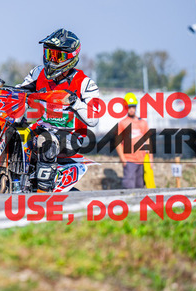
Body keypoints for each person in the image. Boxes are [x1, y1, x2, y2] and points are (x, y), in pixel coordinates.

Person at [15, 28, 100, 192]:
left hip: (70, 135)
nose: (51, 60)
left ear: (70, 57)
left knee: (46, 140)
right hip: (42, 127)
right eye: (49, 54)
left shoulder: (85, 83)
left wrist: (74, 102)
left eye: (57, 56)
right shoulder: (38, 73)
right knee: (14, 133)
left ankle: (43, 192)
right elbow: (20, 92)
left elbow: (94, 119)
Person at [116, 93, 152, 189]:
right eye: (129, 107)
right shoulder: (123, 123)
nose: (131, 109)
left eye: (133, 107)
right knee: (129, 187)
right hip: (129, 160)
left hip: (142, 161)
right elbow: (118, 143)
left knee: (140, 187)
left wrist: (150, 158)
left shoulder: (143, 122)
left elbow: (148, 140)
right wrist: (123, 159)